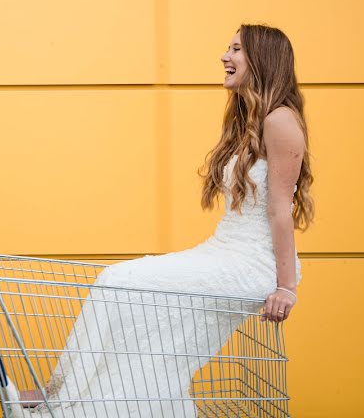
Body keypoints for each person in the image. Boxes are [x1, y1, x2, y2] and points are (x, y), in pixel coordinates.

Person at [29, 24, 313, 417]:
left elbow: (281, 209)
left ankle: (59, 396)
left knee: (118, 281)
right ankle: (82, 401)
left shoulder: (279, 121)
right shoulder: (248, 118)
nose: (224, 56)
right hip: (223, 251)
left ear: (262, 59)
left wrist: (287, 287)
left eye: (236, 49)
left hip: (252, 263)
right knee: (152, 341)